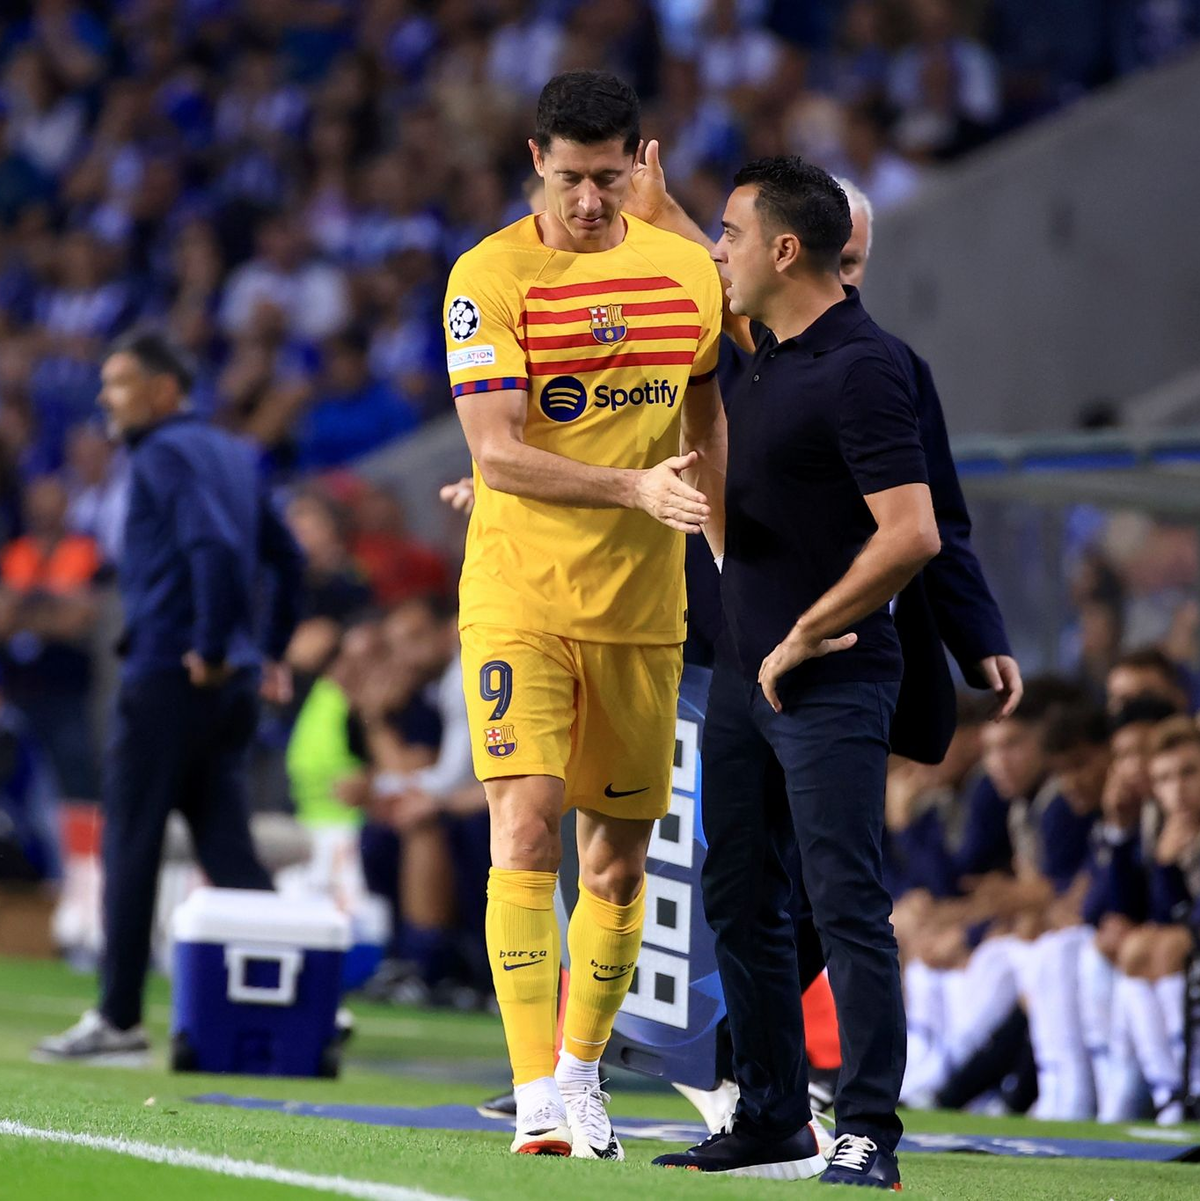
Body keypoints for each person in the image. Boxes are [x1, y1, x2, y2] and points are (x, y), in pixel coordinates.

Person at [443, 70, 726, 1160]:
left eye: (610, 178)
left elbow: (709, 413)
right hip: (519, 595)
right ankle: (533, 1096)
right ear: (537, 160)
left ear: (638, 161)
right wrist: (633, 488)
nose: (591, 201)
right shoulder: (488, 277)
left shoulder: (684, 273)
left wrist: (721, 543)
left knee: (615, 867)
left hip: (643, 610)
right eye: (571, 178)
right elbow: (498, 452)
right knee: (525, 827)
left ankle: (581, 1074)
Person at [648, 157, 939, 1187]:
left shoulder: (863, 366)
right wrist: (660, 207)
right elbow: (702, 257)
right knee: (739, 897)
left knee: (844, 900)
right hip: (745, 675)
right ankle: (772, 1113)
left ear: (783, 250)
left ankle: (868, 1130)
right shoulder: (767, 356)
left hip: (832, 676)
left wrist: (807, 632)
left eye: (730, 235)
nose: (716, 252)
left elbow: (912, 533)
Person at [35, 330, 304, 1063]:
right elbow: (287, 556)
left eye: (118, 382)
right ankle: (301, 997)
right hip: (229, 686)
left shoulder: (160, 452)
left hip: (170, 675)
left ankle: (118, 1016)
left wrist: (211, 648)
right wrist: (268, 650)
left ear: (161, 390)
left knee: (131, 840)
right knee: (226, 844)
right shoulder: (231, 451)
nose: (104, 396)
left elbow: (212, 546)